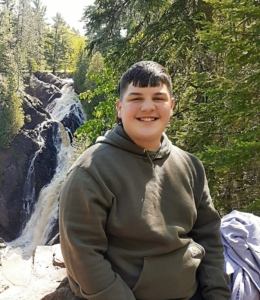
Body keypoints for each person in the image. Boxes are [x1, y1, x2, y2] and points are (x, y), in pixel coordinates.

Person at [59, 61, 231, 300]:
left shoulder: (190, 166)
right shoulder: (91, 171)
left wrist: (218, 294)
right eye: (136, 98)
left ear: (171, 106)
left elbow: (208, 235)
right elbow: (83, 256)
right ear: (119, 107)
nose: (148, 107)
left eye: (158, 98)